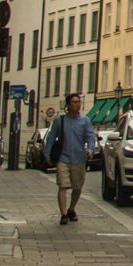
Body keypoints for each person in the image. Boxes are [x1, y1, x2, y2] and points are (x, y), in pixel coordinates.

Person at [44, 94, 96, 225]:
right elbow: (51, 138)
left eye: (79, 102)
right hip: (63, 158)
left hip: (79, 158)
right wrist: (47, 155)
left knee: (77, 187)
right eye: (75, 102)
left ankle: (71, 209)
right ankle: (63, 214)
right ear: (67, 105)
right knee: (63, 185)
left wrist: (90, 149)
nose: (78, 105)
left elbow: (90, 137)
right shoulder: (59, 121)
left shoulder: (85, 121)